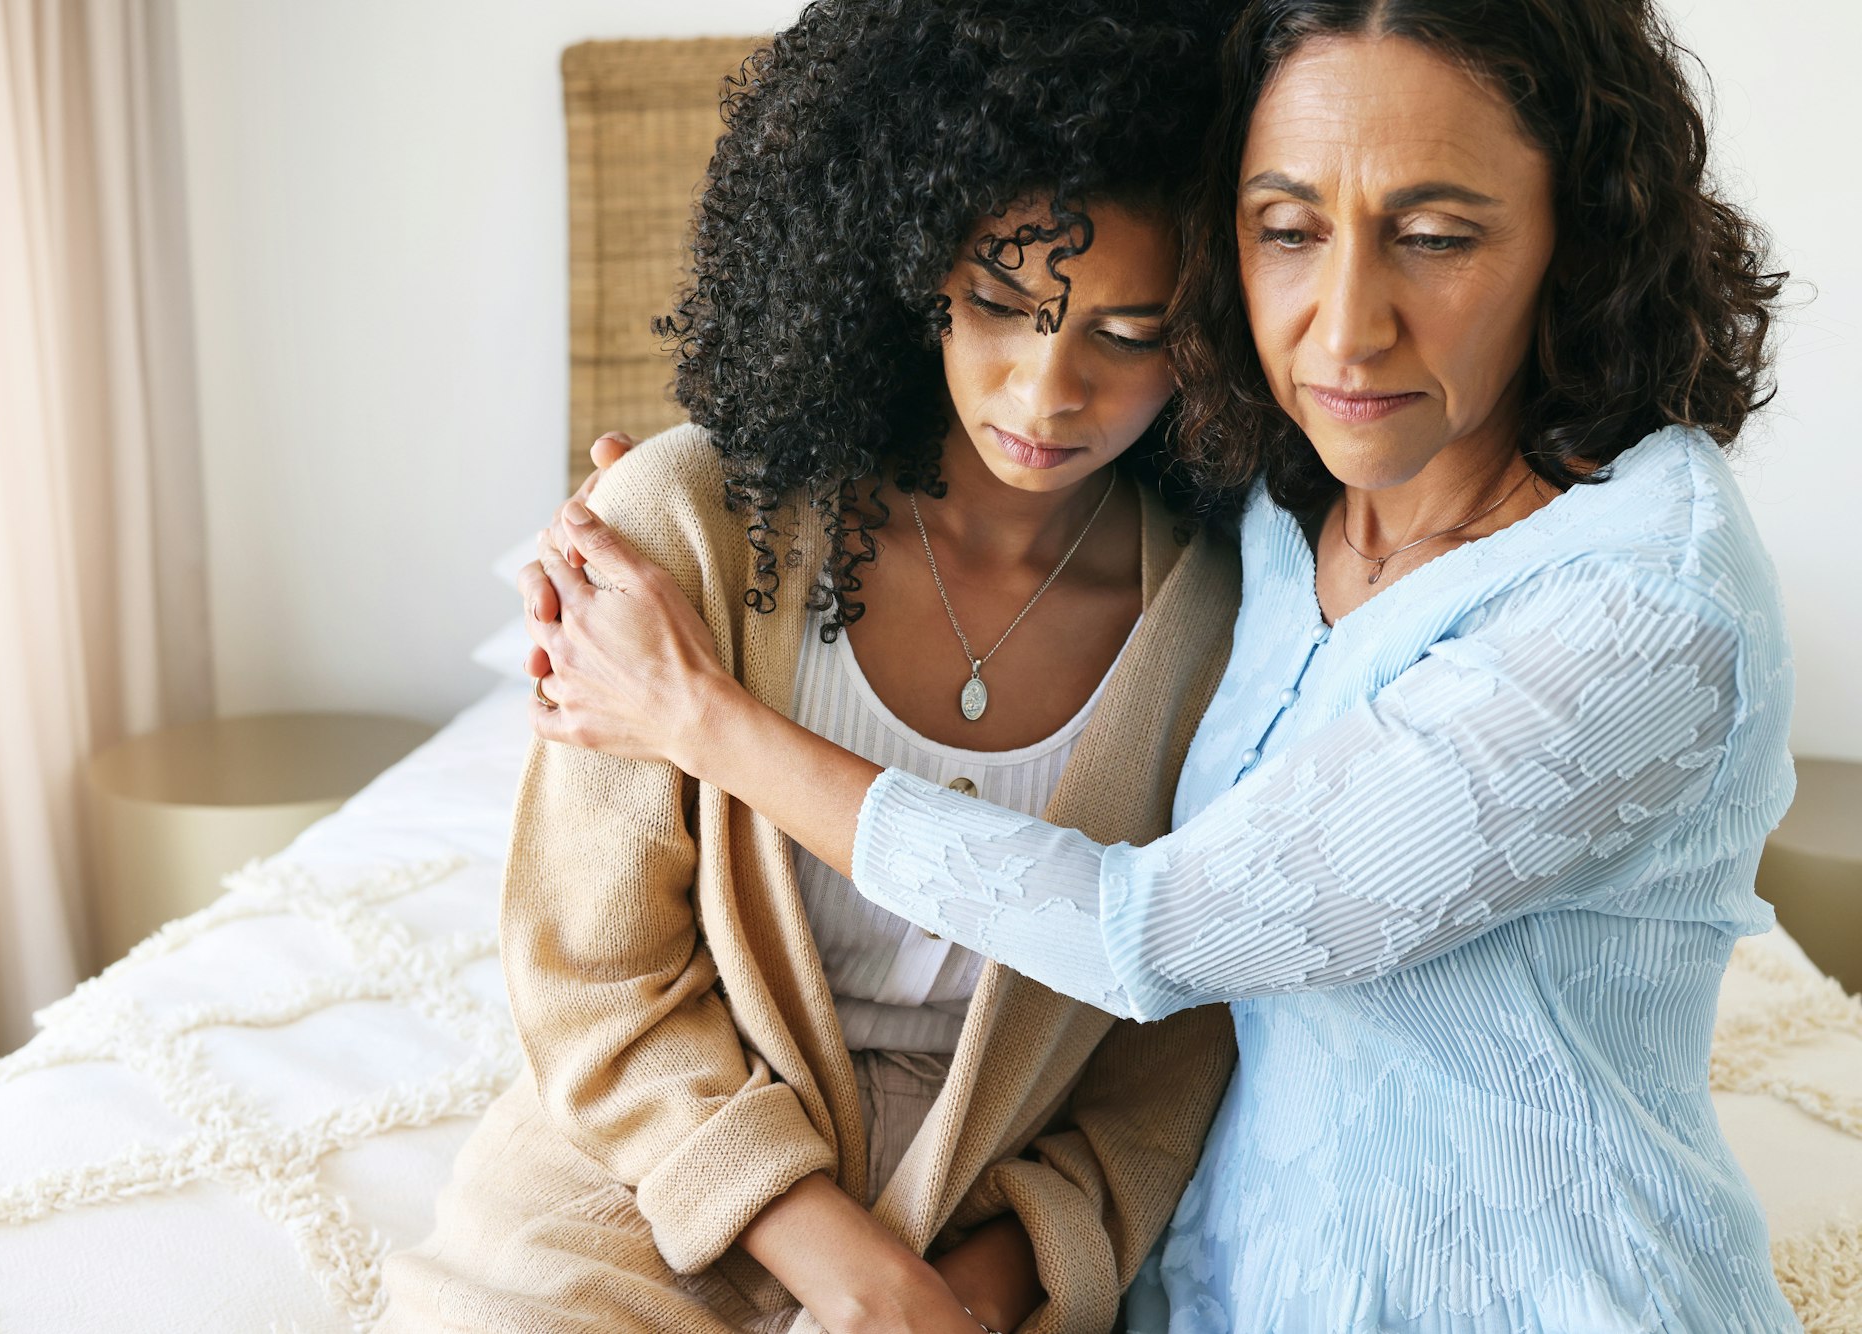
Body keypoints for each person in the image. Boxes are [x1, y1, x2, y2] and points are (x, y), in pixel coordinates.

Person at [517, 0, 1802, 1328]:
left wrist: (699, 717)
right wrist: (663, 513)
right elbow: (593, 969)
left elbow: (1156, 951)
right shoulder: (1283, 504)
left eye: (1433, 236)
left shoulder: (1634, 603)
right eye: (1288, 230)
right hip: (1167, 1280)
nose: (1347, 331)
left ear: (1577, 235)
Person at [376, 3, 1242, 1333]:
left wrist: (979, 1286)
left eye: (1126, 334)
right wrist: (854, 1270)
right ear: (910, 266)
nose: (1047, 387)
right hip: (665, 1161)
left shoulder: (1221, 623)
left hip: (991, 1209)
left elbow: (1171, 1055)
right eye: (1000, 303)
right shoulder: (696, 525)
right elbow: (592, 975)